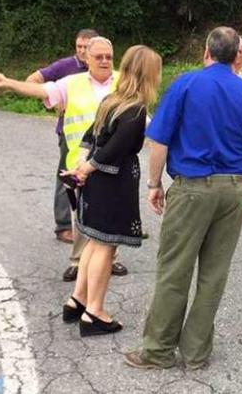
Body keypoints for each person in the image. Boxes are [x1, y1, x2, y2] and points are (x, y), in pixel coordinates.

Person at [123, 27, 242, 370]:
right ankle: (195, 354)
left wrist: (153, 183)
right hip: (233, 189)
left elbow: (160, 140)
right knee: (214, 273)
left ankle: (158, 351)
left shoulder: (185, 84)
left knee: (174, 270)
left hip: (192, 187)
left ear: (206, 51)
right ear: (238, 54)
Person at [0, 36, 129, 282]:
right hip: (80, 162)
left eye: (108, 57)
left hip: (114, 161)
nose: (104, 61)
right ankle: (79, 261)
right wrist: (7, 83)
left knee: (112, 211)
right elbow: (39, 89)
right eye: (98, 56)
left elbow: (139, 115)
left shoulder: (125, 82)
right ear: (86, 58)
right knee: (81, 212)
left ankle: (111, 258)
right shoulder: (71, 83)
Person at [59, 45, 162, 336]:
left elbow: (90, 137)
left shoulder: (111, 100)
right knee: (106, 246)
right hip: (114, 184)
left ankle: (77, 299)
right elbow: (113, 150)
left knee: (93, 241)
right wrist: (86, 168)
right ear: (149, 74)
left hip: (96, 184)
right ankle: (95, 312)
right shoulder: (136, 109)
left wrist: (81, 164)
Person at [25, 29, 98, 244]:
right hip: (71, 134)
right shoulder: (65, 66)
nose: (82, 51)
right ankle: (64, 225)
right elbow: (32, 80)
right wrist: (56, 103)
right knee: (67, 176)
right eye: (79, 47)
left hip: (98, 133)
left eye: (86, 47)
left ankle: (99, 223)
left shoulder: (102, 67)